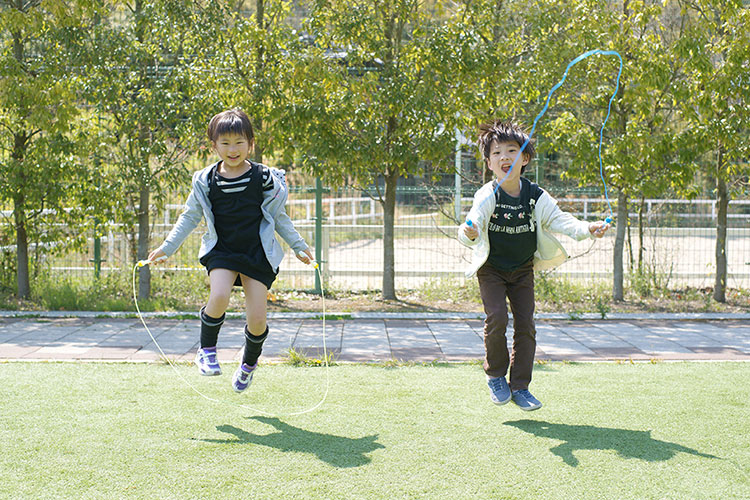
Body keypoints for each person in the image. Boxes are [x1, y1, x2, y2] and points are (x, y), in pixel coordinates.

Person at [147, 108, 313, 393]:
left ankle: (248, 365)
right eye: (225, 143)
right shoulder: (205, 180)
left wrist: (299, 246)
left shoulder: (263, 178)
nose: (232, 149)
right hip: (222, 250)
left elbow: (278, 218)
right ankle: (207, 351)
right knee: (220, 294)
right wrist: (167, 247)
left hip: (256, 252)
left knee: (257, 319)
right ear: (214, 146)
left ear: (250, 143)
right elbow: (189, 217)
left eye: (239, 142)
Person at [457, 119, 610, 410]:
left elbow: (561, 220)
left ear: (524, 158)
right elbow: (474, 219)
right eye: (497, 153)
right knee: (497, 317)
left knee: (526, 325)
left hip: (522, 270)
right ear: (489, 163)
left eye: (512, 151)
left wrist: (588, 228)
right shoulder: (487, 195)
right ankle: (496, 376)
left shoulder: (535, 195)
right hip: (492, 270)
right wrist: (471, 230)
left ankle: (521, 387)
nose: (505, 157)